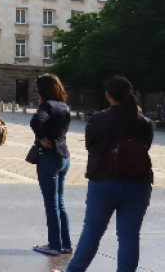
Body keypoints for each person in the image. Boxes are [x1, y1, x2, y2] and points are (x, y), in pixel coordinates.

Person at [54, 76, 154, 272]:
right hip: (138, 183)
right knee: (129, 236)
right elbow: (146, 147)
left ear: (108, 95)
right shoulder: (144, 122)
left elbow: (90, 145)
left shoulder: (98, 119)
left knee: (92, 231)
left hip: (103, 181)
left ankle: (73, 271)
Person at [29, 73, 73, 255]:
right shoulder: (64, 106)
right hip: (64, 157)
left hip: (49, 157)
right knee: (60, 202)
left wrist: (40, 137)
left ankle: (53, 244)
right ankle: (66, 244)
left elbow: (35, 121)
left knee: (51, 203)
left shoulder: (47, 105)